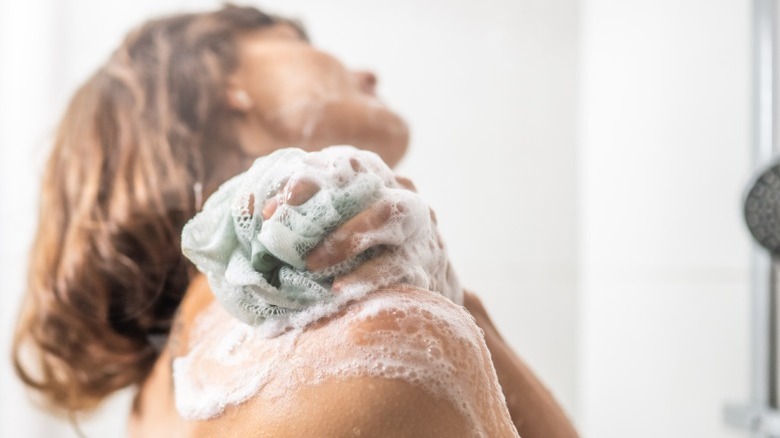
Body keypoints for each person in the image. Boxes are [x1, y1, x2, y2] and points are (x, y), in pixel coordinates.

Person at [12, 5, 578, 437]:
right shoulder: (390, 344)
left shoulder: (157, 396)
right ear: (216, 85)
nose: (368, 72)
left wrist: (455, 298)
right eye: (295, 40)